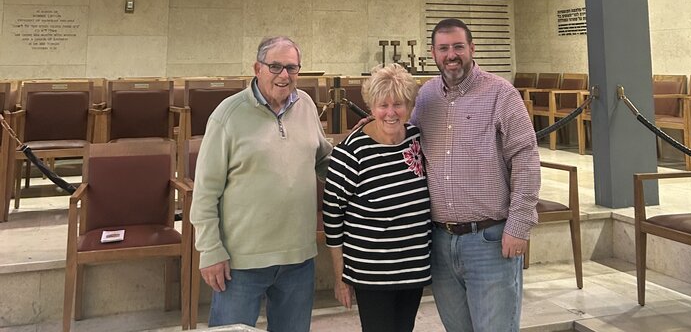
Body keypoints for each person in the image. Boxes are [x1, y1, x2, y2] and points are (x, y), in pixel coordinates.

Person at [190, 35, 332, 332]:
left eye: (292, 68)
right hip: (241, 262)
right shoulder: (227, 115)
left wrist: (363, 154)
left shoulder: (305, 105)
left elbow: (323, 161)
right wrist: (210, 250)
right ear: (257, 68)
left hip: (298, 258)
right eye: (275, 66)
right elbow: (205, 191)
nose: (284, 75)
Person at [411, 18, 540, 332]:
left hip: (490, 241)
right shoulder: (426, 96)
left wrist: (519, 226)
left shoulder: (501, 94)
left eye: (458, 46)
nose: (451, 54)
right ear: (433, 53)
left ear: (471, 48)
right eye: (443, 48)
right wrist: (370, 127)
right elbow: (406, 138)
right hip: (440, 242)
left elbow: (526, 160)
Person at [323, 64, 431, 332]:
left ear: (410, 106)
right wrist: (340, 278)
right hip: (372, 271)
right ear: (371, 107)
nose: (391, 112)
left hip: (413, 267)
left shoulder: (418, 140)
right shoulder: (350, 153)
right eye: (383, 105)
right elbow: (333, 219)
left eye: (398, 104)